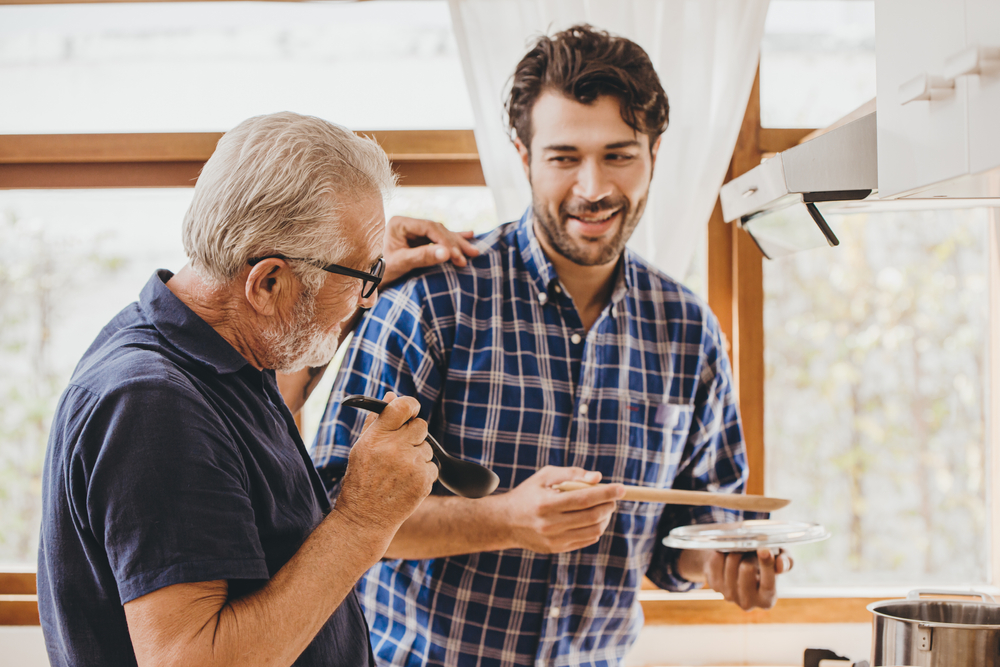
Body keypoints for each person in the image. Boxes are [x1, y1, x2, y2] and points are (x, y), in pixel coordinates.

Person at [313, 25, 792, 667]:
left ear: (654, 154)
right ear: (523, 156)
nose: (592, 188)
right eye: (565, 157)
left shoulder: (690, 332)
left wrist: (721, 564)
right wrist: (506, 518)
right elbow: (333, 510)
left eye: (619, 155)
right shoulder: (432, 302)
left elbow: (688, 535)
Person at [36, 111, 479, 667]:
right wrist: (363, 521)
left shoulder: (218, 351)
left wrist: (353, 271)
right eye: (363, 279)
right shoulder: (151, 407)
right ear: (269, 282)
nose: (368, 299)